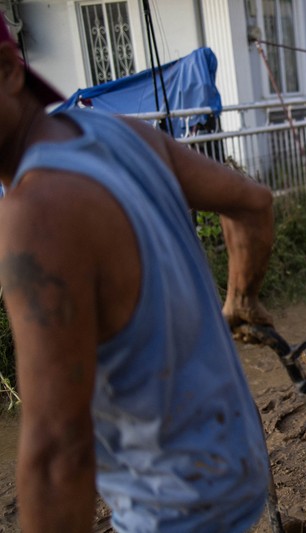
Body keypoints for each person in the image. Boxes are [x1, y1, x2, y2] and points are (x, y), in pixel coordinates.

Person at [0, 18, 276, 532]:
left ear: (8, 72)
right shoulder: (116, 132)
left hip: (174, 509)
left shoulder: (35, 213)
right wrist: (241, 298)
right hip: (237, 470)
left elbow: (58, 455)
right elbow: (253, 204)